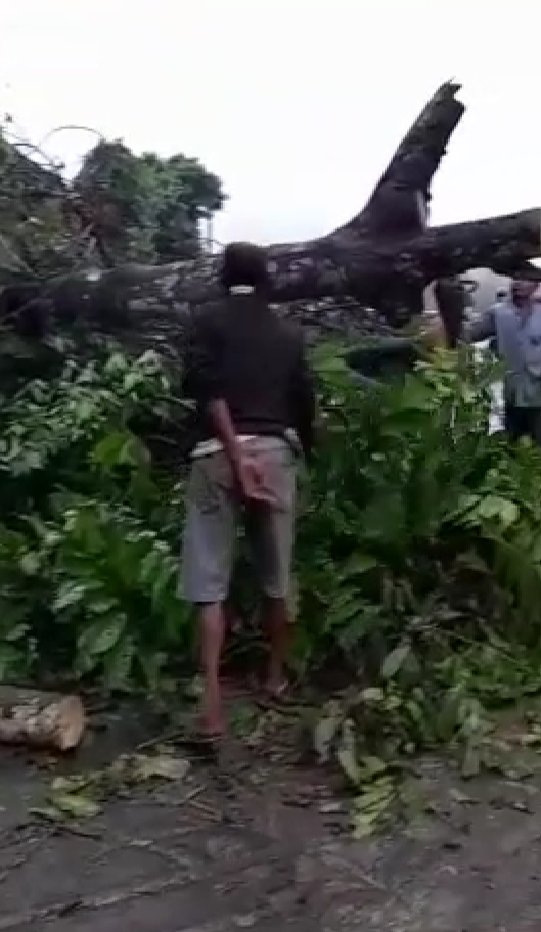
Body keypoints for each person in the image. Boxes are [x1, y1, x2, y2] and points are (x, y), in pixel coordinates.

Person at [181, 242, 316, 737]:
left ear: (223, 276)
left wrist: (234, 456)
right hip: (275, 454)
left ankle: (212, 701)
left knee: (207, 583)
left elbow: (204, 389)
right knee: (278, 575)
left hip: (213, 455)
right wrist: (307, 451)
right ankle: (274, 679)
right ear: (265, 279)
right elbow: (303, 402)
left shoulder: (204, 322)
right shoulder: (288, 332)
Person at [465, 278, 541, 447]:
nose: (518, 284)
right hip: (511, 388)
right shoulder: (497, 313)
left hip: (540, 387)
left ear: (535, 286)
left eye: (524, 280)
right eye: (515, 280)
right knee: (512, 441)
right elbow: (471, 334)